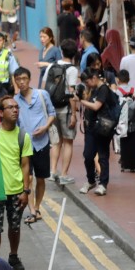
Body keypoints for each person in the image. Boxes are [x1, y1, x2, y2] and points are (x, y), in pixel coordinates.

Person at [0, 95, 33, 266]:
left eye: (16, 107)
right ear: (0, 112)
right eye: (10, 107)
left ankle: (13, 256)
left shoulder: (23, 136)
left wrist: (25, 191)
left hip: (16, 190)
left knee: (15, 227)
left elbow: (25, 165)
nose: (15, 110)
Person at [12, 67, 55, 225]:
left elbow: (52, 113)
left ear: (29, 79)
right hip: (25, 145)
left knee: (41, 178)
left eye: (24, 78)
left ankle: (37, 207)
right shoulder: (14, 101)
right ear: (15, 81)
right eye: (18, 79)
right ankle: (31, 210)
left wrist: (44, 128)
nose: (21, 82)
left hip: (42, 143)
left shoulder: (42, 95)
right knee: (28, 179)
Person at [78, 68, 119, 196]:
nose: (86, 85)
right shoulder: (93, 89)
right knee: (88, 155)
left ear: (94, 78)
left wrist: (81, 101)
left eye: (87, 82)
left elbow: (96, 106)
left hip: (103, 128)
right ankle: (91, 181)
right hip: (91, 128)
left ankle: (103, 184)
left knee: (103, 156)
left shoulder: (103, 89)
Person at [47, 40, 81, 186]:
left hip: (52, 109)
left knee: (55, 141)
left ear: (61, 51)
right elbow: (71, 93)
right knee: (68, 142)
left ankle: (52, 171)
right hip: (66, 109)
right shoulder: (72, 70)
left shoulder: (51, 66)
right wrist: (74, 114)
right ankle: (64, 174)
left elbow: (45, 87)